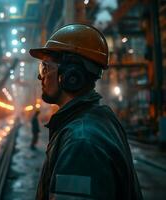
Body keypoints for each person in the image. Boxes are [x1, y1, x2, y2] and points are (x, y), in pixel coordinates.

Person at [29, 24, 143, 200]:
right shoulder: (98, 119)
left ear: (70, 75)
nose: (40, 76)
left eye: (45, 67)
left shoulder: (81, 142)